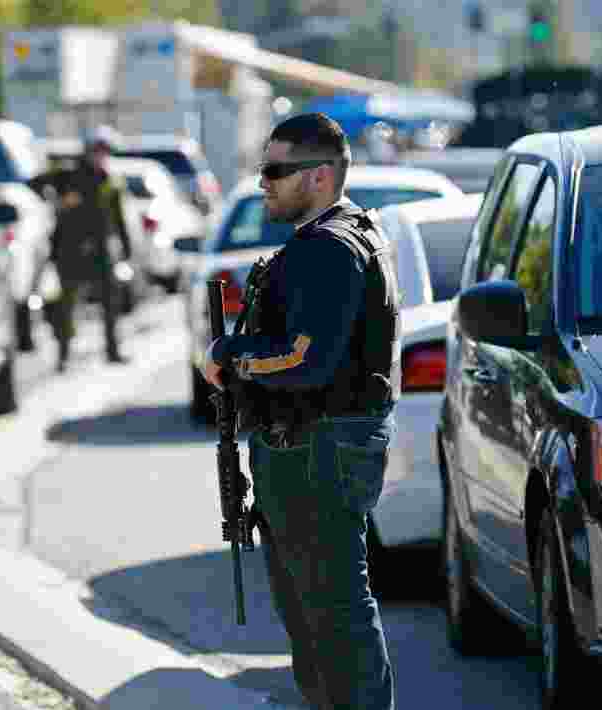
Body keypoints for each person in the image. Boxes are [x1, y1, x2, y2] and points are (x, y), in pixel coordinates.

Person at [201, 113, 401, 710]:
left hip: (315, 448)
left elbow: (302, 358)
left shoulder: (327, 249)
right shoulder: (350, 233)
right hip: (316, 443)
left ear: (317, 176)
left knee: (333, 614)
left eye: (273, 170)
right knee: (316, 615)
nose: (262, 181)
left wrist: (229, 357)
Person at [28, 125, 131, 371]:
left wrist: (126, 249)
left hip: (100, 250)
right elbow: (34, 184)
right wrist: (56, 200)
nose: (100, 156)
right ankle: (63, 356)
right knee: (66, 305)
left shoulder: (109, 181)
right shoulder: (68, 174)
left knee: (109, 301)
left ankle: (112, 351)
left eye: (104, 152)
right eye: (97, 151)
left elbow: (118, 219)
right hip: (69, 250)